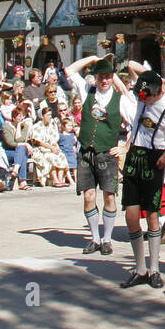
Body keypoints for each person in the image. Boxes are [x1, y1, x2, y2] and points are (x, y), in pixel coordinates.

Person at [116, 67, 165, 289]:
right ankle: (140, 268)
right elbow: (133, 66)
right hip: (135, 157)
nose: (145, 98)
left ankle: (154, 269)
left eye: (149, 94)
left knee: (153, 216)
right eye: (143, 95)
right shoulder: (143, 100)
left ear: (158, 92)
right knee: (131, 216)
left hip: (155, 159)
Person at [64, 56, 132, 256]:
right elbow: (69, 70)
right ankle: (95, 238)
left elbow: (136, 124)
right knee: (88, 195)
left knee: (109, 195)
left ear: (112, 78)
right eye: (101, 76)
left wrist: (125, 147)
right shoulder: (87, 91)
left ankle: (107, 239)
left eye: (108, 77)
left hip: (106, 153)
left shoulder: (120, 100)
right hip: (86, 151)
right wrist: (93, 58)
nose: (104, 81)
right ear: (95, 77)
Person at [29, 104, 71, 187]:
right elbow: (38, 142)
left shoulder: (51, 126)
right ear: (42, 116)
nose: (50, 117)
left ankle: (60, 179)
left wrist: (56, 148)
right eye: (48, 115)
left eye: (50, 115)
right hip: (40, 150)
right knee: (51, 157)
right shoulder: (37, 126)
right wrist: (51, 147)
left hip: (51, 148)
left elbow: (54, 140)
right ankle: (55, 180)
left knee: (61, 155)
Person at [1, 104, 34, 190]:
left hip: (19, 152)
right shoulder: (7, 127)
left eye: (23, 116)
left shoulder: (24, 127)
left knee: (22, 151)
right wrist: (25, 144)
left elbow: (20, 140)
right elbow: (10, 143)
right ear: (13, 118)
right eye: (19, 116)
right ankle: (22, 181)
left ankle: (17, 171)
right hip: (8, 151)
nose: (21, 118)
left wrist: (19, 127)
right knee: (22, 151)